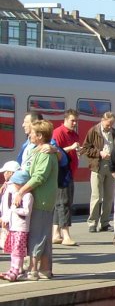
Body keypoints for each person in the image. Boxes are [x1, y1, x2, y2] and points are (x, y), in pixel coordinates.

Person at [14, 119, 59, 280]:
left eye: (32, 133)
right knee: (44, 235)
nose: (29, 135)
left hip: (42, 199)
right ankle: (45, 269)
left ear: (39, 135)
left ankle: (33, 270)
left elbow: (39, 177)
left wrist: (21, 191)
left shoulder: (46, 154)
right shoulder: (38, 150)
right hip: (41, 198)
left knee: (37, 235)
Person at [82, 111, 115, 233]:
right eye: (108, 124)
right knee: (96, 195)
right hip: (97, 166)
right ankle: (92, 222)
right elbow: (86, 148)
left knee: (109, 196)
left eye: (111, 124)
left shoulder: (113, 133)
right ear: (102, 120)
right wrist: (99, 153)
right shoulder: (93, 131)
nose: (109, 127)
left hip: (110, 165)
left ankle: (105, 222)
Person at [52, 109, 81, 246]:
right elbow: (56, 151)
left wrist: (78, 151)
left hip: (70, 172)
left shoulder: (74, 134)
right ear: (65, 119)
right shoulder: (59, 132)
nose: (74, 123)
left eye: (76, 120)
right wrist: (71, 147)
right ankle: (66, 235)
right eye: (72, 120)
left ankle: (56, 233)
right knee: (64, 202)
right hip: (62, 172)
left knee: (61, 203)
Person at [1, 169, 33, 281]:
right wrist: (6, 218)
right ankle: (12, 268)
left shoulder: (27, 196)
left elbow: (26, 211)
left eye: (15, 184)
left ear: (22, 184)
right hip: (13, 227)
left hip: (21, 227)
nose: (13, 186)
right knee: (13, 250)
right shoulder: (15, 194)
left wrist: (15, 209)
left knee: (18, 251)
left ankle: (16, 270)